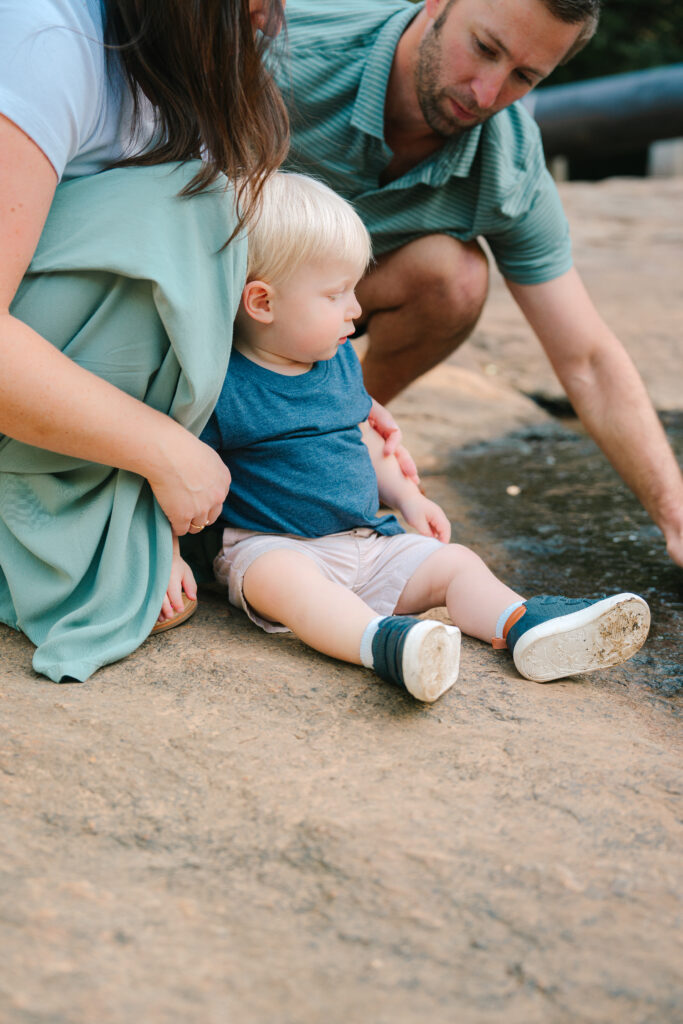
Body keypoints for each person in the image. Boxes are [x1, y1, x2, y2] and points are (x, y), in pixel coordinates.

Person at [165, 172, 650, 703]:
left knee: (456, 564)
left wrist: (406, 496)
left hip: (368, 543)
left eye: (354, 290)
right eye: (335, 294)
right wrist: (167, 556)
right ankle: (385, 645)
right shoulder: (222, 387)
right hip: (275, 545)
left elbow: (364, 442)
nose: (355, 309)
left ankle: (524, 627)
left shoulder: (337, 361)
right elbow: (174, 477)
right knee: (286, 583)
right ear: (262, 303)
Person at [271, 0, 683, 570]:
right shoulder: (284, 52)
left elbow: (587, 359)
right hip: (225, 281)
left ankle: (323, 437)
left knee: (454, 277)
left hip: (336, 304)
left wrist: (676, 515)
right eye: (486, 48)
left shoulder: (509, 163)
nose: (486, 94)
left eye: (524, 77)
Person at [0, 0, 295, 681]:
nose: (273, 17)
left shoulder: (181, 50)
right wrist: (163, 452)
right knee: (181, 213)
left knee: (207, 213)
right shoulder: (42, 38)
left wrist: (325, 388)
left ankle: (117, 506)